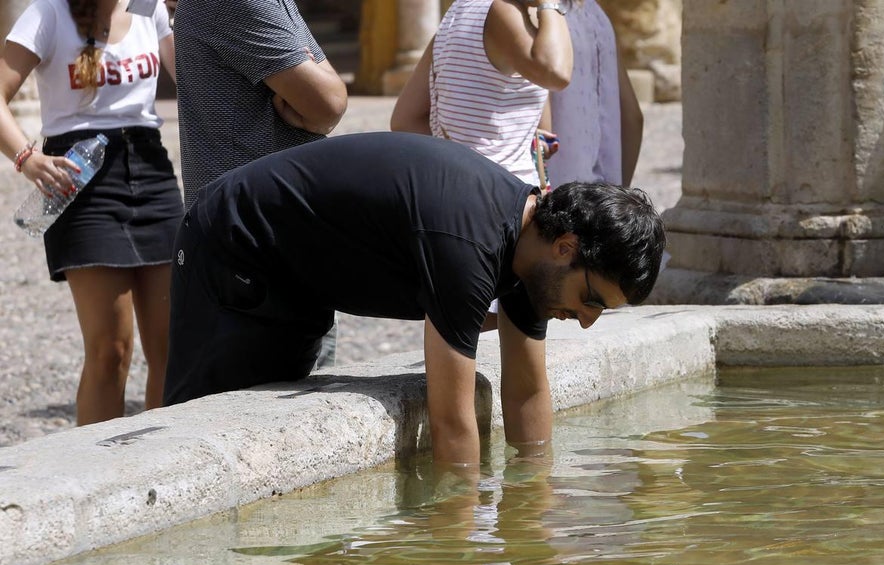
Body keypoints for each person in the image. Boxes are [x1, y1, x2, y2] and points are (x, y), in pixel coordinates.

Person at [163, 132, 665, 467]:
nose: (584, 322)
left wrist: (532, 519)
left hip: (298, 279)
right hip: (232, 246)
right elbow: (451, 422)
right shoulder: (470, 245)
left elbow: (527, 394)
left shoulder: (532, 257)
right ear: (566, 248)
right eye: (591, 300)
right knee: (197, 433)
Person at [0, 0, 183, 425]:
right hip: (81, 184)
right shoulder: (47, 13)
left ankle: (159, 464)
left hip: (152, 172)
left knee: (175, 347)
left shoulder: (148, 7)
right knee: (111, 350)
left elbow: (195, 82)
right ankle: (99, 472)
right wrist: (27, 158)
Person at [172, 0, 347, 366]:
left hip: (271, 228)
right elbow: (329, 102)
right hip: (256, 237)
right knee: (274, 399)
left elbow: (328, 96)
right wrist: (310, 86)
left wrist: (313, 90)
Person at [390, 0, 574, 189]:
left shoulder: (459, 12)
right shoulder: (502, 12)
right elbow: (556, 72)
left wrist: (459, 159)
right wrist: (551, 4)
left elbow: (405, 120)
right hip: (503, 195)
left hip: (457, 188)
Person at [546, 0, 643, 187]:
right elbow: (632, 117)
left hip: (559, 189)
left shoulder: (541, 14)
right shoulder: (596, 14)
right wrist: (617, 195)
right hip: (603, 195)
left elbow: (541, 130)